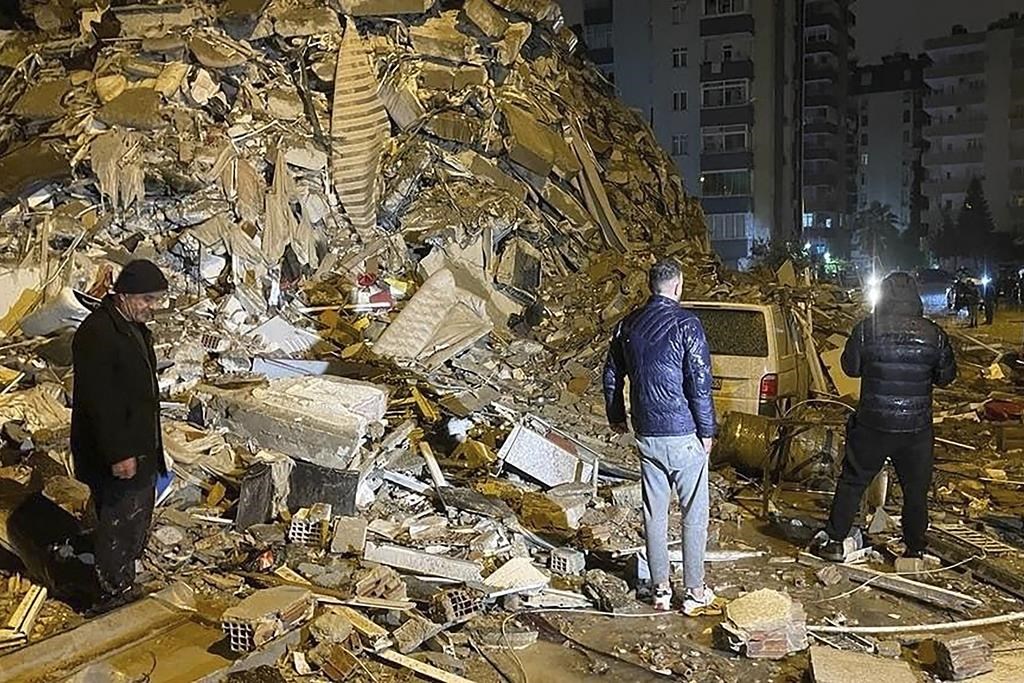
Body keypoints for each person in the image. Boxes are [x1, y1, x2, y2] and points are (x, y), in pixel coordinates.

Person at [602, 259, 719, 615]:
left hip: (648, 433)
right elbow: (699, 383)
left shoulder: (628, 324)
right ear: (678, 286)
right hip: (683, 433)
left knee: (655, 514)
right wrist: (707, 431)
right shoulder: (687, 324)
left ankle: (661, 591)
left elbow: (611, 374)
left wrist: (616, 417)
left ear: (650, 286)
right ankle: (695, 592)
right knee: (694, 514)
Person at [813, 272, 956, 562]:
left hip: (873, 424)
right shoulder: (934, 334)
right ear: (915, 297)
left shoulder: (867, 330)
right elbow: (946, 377)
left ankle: (835, 539)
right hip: (915, 429)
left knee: (853, 482)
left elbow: (850, 368)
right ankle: (914, 548)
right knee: (915, 491)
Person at [71, 259, 169, 615]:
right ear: (124, 295)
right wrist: (119, 453)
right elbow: (100, 401)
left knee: (137, 515)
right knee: (117, 519)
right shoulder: (97, 334)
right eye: (147, 299)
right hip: (115, 450)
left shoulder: (134, 328)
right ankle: (109, 592)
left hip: (139, 444)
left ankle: (122, 579)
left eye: (156, 300)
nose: (151, 307)